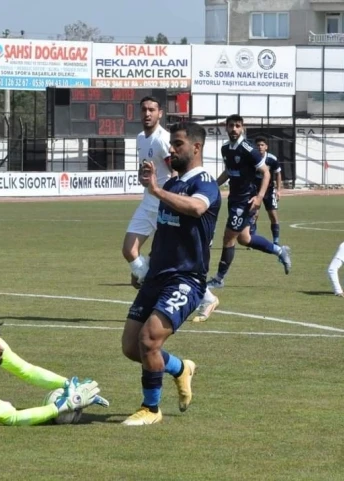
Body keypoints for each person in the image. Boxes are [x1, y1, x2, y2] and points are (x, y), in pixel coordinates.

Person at [120, 121, 221, 425]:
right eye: (171, 144)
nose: (172, 149)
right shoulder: (173, 185)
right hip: (157, 275)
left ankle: (151, 409)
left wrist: (155, 190)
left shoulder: (205, 182)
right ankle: (180, 367)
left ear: (196, 147)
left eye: (178, 144)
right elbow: (164, 232)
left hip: (185, 279)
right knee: (131, 347)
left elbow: (197, 208)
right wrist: (143, 268)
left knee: (150, 340)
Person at [206, 114, 291, 290]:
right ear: (226, 127)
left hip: (245, 201)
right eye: (231, 126)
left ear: (242, 128)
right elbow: (228, 172)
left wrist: (259, 197)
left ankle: (219, 279)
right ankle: (279, 251)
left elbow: (266, 173)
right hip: (234, 198)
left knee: (228, 237)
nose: (234, 129)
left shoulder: (249, 149)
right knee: (245, 239)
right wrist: (212, 185)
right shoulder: (225, 149)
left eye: (237, 126)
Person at [122, 96, 174, 288]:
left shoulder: (163, 139)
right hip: (147, 204)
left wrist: (170, 198)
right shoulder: (140, 138)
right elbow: (144, 168)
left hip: (164, 207)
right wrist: (142, 177)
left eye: (152, 110)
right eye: (144, 109)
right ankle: (147, 279)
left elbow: (175, 172)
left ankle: (204, 296)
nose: (147, 113)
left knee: (159, 260)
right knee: (129, 250)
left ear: (160, 113)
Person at [248, 135, 282, 245]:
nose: (260, 147)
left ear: (266, 147)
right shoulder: (252, 158)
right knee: (254, 214)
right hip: (254, 190)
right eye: (258, 145)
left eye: (262, 145)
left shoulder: (272, 159)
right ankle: (252, 239)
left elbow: (278, 173)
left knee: (273, 214)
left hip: (269, 190)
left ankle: (276, 241)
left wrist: (278, 190)